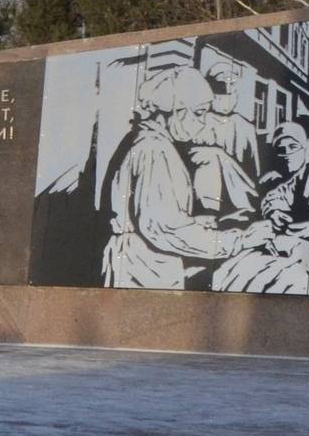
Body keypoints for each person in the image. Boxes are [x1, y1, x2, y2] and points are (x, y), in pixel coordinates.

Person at [100, 68, 264, 290]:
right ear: (172, 110)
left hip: (141, 264)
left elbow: (154, 216)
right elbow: (165, 229)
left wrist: (196, 222)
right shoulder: (155, 149)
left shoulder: (147, 141)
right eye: (198, 113)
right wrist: (239, 240)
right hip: (143, 270)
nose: (204, 122)